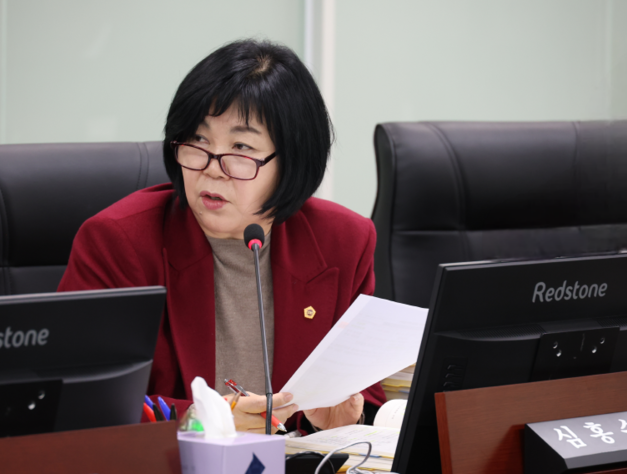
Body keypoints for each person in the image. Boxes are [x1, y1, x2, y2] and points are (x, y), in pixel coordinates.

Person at [58, 39, 385, 434]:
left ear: (292, 160)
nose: (211, 168)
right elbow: (80, 402)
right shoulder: (118, 242)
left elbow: (364, 396)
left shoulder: (342, 242)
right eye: (198, 141)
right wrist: (207, 420)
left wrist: (341, 421)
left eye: (240, 147)